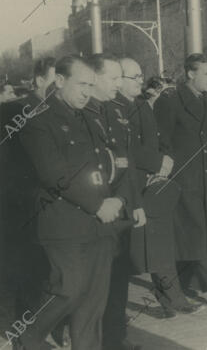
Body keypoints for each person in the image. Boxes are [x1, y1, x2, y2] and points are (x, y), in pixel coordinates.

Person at [17, 56, 127, 350]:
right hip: (64, 224)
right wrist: (97, 205)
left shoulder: (90, 117)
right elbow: (54, 173)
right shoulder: (38, 118)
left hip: (99, 224)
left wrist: (118, 197)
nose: (86, 92)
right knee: (69, 289)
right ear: (60, 81)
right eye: (81, 85)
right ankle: (28, 338)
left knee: (93, 303)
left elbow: (110, 163)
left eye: (91, 86)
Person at [119, 58, 203, 318]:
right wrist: (157, 161)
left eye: (140, 75)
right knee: (123, 252)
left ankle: (171, 297)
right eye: (134, 77)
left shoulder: (142, 105)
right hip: (129, 186)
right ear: (117, 78)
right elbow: (126, 149)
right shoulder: (112, 108)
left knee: (162, 243)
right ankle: (112, 314)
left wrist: (166, 160)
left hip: (152, 183)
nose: (140, 81)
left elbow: (158, 137)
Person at [154, 54, 207, 303]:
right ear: (191, 74)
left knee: (204, 230)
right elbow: (163, 140)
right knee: (197, 230)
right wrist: (166, 169)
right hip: (184, 176)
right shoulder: (170, 100)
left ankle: (178, 288)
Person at [85, 54, 145, 350]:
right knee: (93, 285)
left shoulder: (115, 110)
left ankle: (114, 338)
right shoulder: (83, 112)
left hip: (119, 208)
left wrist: (133, 203)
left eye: (121, 77)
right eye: (113, 77)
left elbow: (125, 162)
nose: (118, 84)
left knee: (118, 277)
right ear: (94, 77)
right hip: (95, 210)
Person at [0, 57, 57, 344]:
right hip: (20, 204)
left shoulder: (56, 111)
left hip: (44, 205)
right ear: (38, 79)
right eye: (54, 79)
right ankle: (23, 333)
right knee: (24, 272)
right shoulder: (15, 110)